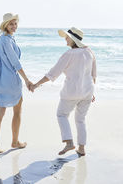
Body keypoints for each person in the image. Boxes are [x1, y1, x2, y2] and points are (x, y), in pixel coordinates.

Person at [31, 27, 96, 156]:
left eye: (67, 37)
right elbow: (93, 75)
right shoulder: (89, 52)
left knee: (61, 115)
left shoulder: (69, 54)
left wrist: (36, 84)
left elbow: (53, 73)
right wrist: (92, 93)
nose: (65, 40)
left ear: (73, 39)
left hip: (71, 92)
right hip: (87, 92)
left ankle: (69, 143)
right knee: (81, 120)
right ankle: (81, 148)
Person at [0, 13, 33, 155]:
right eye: (11, 24)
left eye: (15, 23)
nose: (14, 26)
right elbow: (15, 62)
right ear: (5, 25)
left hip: (0, 79)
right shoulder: (7, 40)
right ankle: (15, 141)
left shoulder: (3, 39)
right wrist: (26, 80)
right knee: (17, 110)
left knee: (0, 112)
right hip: (11, 80)